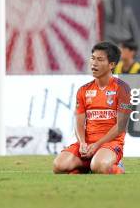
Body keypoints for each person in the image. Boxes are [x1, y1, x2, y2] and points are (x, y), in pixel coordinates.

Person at [52, 41, 132, 174]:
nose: (94, 63)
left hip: (110, 144)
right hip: (87, 145)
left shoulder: (123, 89)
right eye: (92, 58)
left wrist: (97, 145)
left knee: (98, 166)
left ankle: (116, 166)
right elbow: (79, 121)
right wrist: (82, 143)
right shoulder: (83, 90)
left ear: (111, 65)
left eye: (100, 59)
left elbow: (121, 126)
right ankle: (87, 165)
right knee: (58, 166)